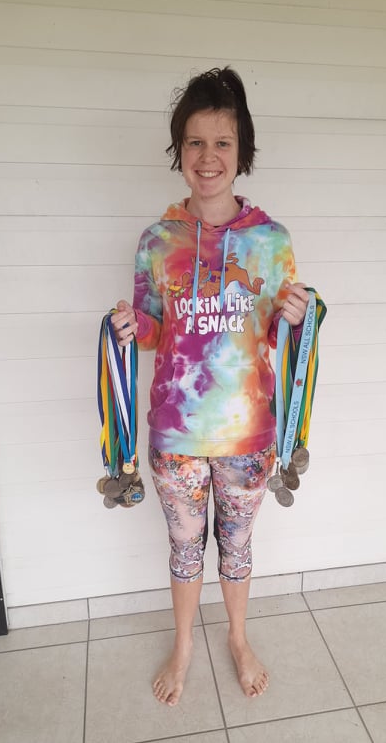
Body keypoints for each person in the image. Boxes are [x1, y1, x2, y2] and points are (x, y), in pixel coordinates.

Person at [112, 67, 309, 707]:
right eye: (195, 143)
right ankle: (184, 643)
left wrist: (299, 318)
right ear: (179, 151)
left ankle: (238, 637)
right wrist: (126, 323)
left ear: (241, 151)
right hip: (175, 433)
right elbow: (150, 330)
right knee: (182, 545)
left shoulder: (271, 243)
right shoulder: (157, 242)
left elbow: (280, 336)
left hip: (248, 433)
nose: (208, 158)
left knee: (239, 542)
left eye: (222, 143)